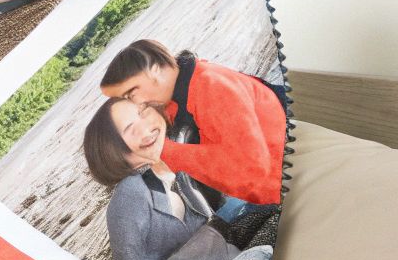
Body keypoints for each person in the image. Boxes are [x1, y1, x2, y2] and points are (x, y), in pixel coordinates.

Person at [97, 39, 287, 209]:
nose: (135, 104)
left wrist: (163, 150)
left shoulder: (212, 88)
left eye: (131, 94)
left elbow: (251, 170)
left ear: (154, 70)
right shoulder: (184, 88)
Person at [84, 97, 243, 260]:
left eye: (142, 113)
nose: (145, 128)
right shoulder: (130, 195)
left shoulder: (173, 165)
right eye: (129, 130)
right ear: (114, 151)